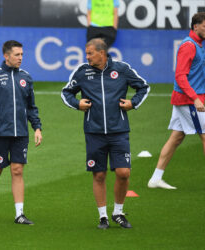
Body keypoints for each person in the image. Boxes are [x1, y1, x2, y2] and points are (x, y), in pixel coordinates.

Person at [61, 38, 149, 229]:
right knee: (99, 175)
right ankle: (103, 217)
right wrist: (78, 104)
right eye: (86, 53)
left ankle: (118, 212)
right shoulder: (83, 72)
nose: (87, 57)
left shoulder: (122, 69)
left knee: (124, 172)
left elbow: (143, 86)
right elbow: (66, 93)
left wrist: (133, 103)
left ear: (102, 53)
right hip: (94, 132)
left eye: (90, 53)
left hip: (119, 131)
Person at [148, 12, 205, 190]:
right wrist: (195, 99)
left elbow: (201, 75)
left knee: (176, 138)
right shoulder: (189, 46)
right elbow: (180, 76)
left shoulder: (197, 45)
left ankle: (156, 179)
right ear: (195, 26)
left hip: (186, 100)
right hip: (188, 101)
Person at [0, 40, 42, 225]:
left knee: (17, 170)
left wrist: (37, 127)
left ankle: (19, 214)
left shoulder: (26, 77)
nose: (20, 58)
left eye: (22, 54)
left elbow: (31, 107)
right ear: (6, 56)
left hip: (21, 133)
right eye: (17, 55)